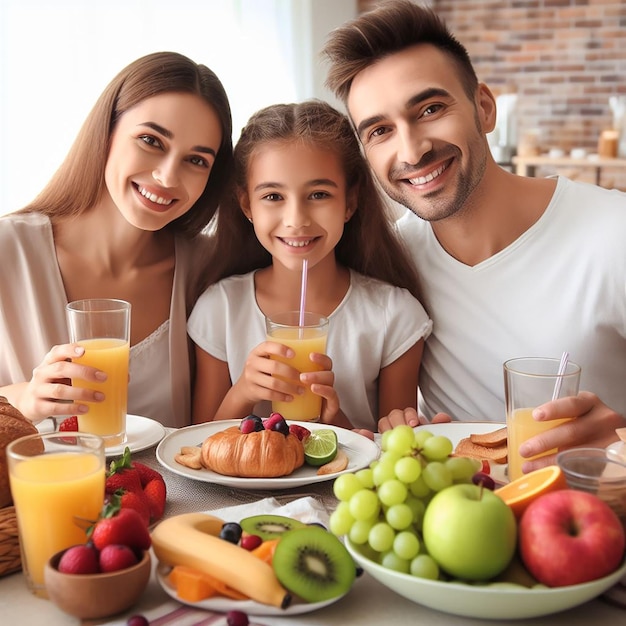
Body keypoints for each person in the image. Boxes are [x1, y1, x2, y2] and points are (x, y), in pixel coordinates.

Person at [322, 0, 626, 470]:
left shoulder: (613, 233)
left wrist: (621, 436)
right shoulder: (391, 263)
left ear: (484, 108)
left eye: (430, 108)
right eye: (380, 130)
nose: (413, 149)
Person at [0, 51, 234, 429]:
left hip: (166, 491)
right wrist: (25, 396)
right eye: (151, 140)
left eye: (196, 160)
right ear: (106, 132)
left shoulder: (206, 269)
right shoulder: (8, 250)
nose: (168, 176)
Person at [187, 100, 432, 431]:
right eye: (273, 196)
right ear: (247, 205)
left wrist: (334, 418)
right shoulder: (220, 308)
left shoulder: (394, 315)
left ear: (350, 202)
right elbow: (196, 448)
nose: (296, 220)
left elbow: (394, 451)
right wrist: (243, 391)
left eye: (318, 195)